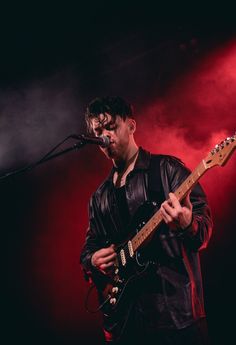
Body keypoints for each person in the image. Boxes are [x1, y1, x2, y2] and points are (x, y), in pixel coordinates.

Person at [80, 96, 213, 345]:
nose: (105, 137)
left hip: (175, 317)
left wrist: (187, 224)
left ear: (131, 126)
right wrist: (93, 260)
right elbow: (89, 247)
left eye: (111, 127)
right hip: (126, 322)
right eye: (98, 132)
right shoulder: (99, 197)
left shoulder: (167, 170)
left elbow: (203, 230)